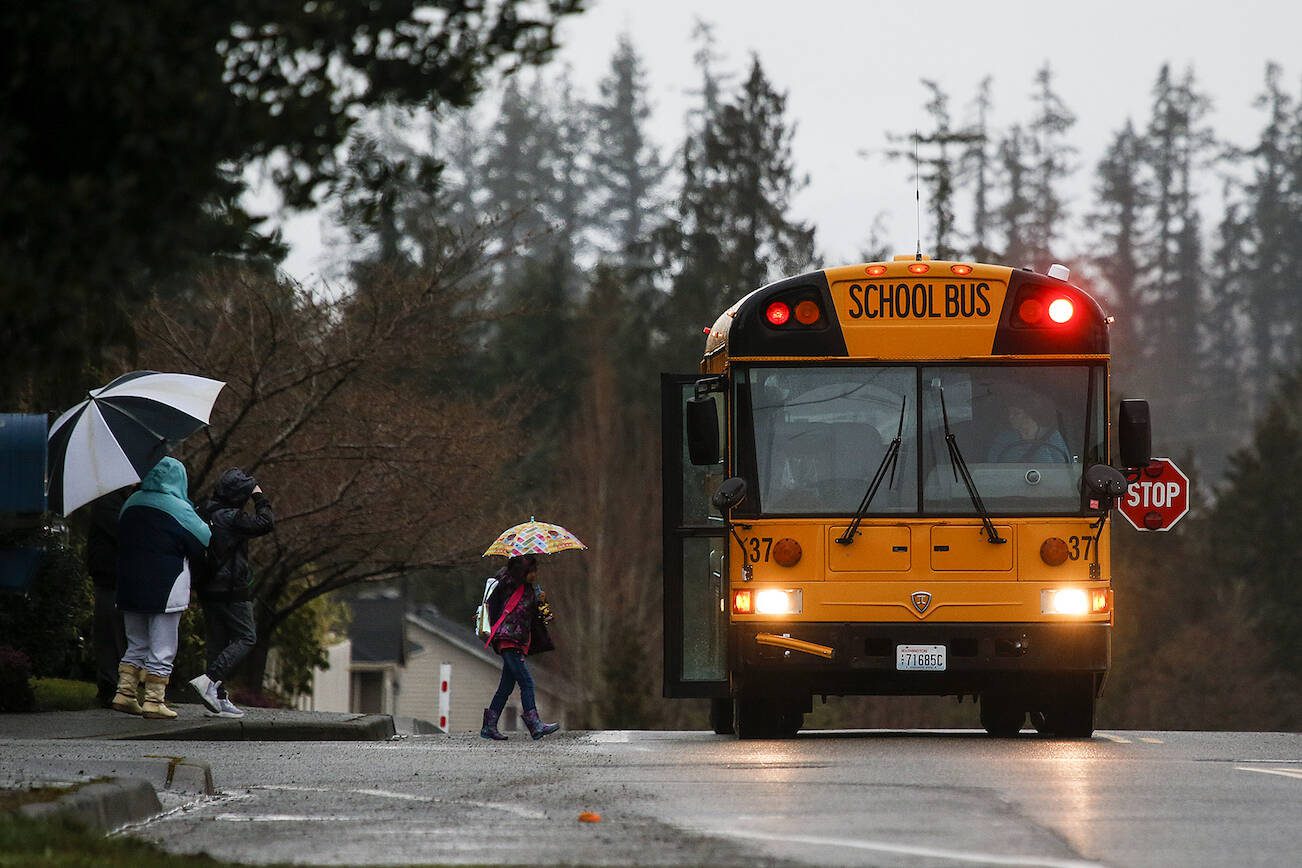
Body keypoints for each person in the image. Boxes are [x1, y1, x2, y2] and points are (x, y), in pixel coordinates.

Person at [113, 457, 210, 719]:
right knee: (163, 645)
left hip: (129, 583)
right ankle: (154, 701)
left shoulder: (130, 503)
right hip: (166, 586)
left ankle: (125, 693)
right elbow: (204, 539)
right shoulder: (178, 508)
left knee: (136, 642)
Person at [190, 468, 274, 719]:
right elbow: (265, 522)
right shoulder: (233, 518)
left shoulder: (203, 510)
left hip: (207, 586)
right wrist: (259, 496)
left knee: (216, 642)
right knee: (247, 637)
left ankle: (218, 697)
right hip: (231, 588)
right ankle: (210, 680)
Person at [479, 554, 560, 741]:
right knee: (527, 683)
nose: (535, 575)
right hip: (508, 639)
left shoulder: (532, 591)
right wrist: (519, 561)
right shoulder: (509, 583)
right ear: (524, 571)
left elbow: (546, 619)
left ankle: (489, 726)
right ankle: (534, 723)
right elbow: (505, 576)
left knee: (505, 687)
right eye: (532, 571)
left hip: (519, 642)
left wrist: (543, 602)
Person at [86, 486, 132, 708]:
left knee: (114, 633)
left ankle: (115, 686)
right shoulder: (108, 503)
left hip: (114, 576)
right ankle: (110, 686)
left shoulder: (116, 502)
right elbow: (122, 531)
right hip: (109, 577)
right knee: (111, 634)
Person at [987, 393, 1071, 463]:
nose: (1010, 417)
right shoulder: (1004, 438)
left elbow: (1064, 467)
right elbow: (991, 465)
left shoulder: (1053, 436)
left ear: (1030, 414)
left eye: (1016, 413)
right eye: (1009, 413)